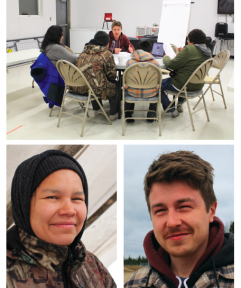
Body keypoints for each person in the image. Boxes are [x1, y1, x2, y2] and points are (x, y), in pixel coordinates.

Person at [7, 150, 116, 288]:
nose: (69, 210)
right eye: (52, 197)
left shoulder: (93, 267)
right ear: (23, 203)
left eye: (77, 199)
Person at [124, 150, 234, 288]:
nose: (172, 222)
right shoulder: (134, 284)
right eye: (160, 210)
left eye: (184, 207)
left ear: (211, 210)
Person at [161, 29, 212, 117]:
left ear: (191, 41)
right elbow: (191, 64)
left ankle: (171, 109)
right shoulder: (208, 52)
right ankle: (180, 102)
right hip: (198, 85)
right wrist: (182, 54)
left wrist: (166, 57)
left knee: (156, 85)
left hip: (182, 85)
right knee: (185, 75)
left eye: (188, 40)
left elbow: (171, 64)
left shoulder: (189, 49)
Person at [72, 31, 118, 121]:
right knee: (116, 84)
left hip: (78, 87)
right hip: (95, 89)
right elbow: (112, 76)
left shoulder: (83, 52)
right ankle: (113, 113)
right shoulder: (106, 54)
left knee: (91, 80)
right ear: (106, 43)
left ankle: (97, 109)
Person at [124, 40, 162, 122]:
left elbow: (126, 81)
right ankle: (151, 114)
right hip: (151, 92)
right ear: (150, 51)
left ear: (137, 49)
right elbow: (158, 82)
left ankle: (128, 113)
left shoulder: (129, 63)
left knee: (127, 87)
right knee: (158, 88)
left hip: (132, 92)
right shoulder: (155, 63)